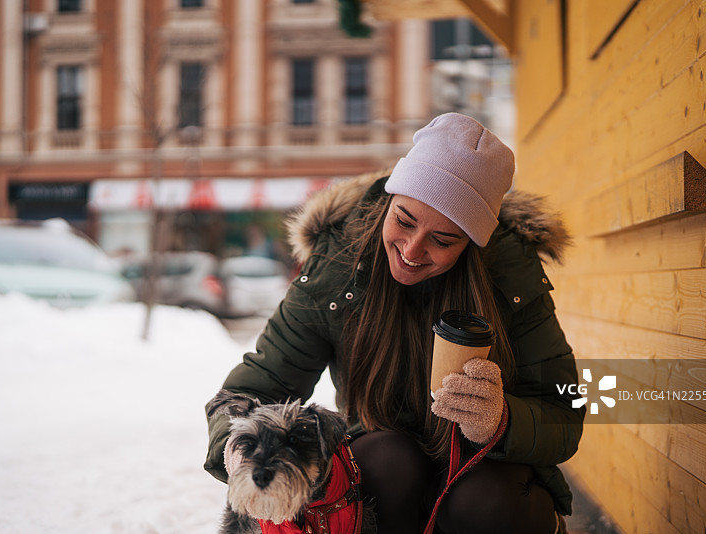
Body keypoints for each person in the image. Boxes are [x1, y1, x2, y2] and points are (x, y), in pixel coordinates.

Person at [205, 113, 585, 534]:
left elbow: (563, 413)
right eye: (404, 220)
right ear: (390, 199)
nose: (412, 249)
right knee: (388, 461)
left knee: (489, 501)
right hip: (381, 471)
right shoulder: (336, 269)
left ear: (473, 244)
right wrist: (235, 450)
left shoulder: (511, 281)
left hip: (483, 473)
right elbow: (252, 388)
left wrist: (502, 420)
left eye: (443, 240)